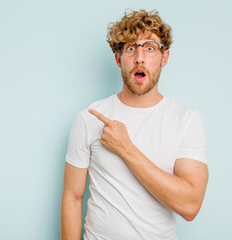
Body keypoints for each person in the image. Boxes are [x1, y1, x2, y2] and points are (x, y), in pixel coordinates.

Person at [61, 9, 208, 240]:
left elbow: (190, 206)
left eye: (149, 48)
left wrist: (125, 148)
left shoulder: (187, 120)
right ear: (119, 59)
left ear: (164, 57)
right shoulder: (89, 118)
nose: (140, 57)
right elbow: (72, 197)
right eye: (131, 48)